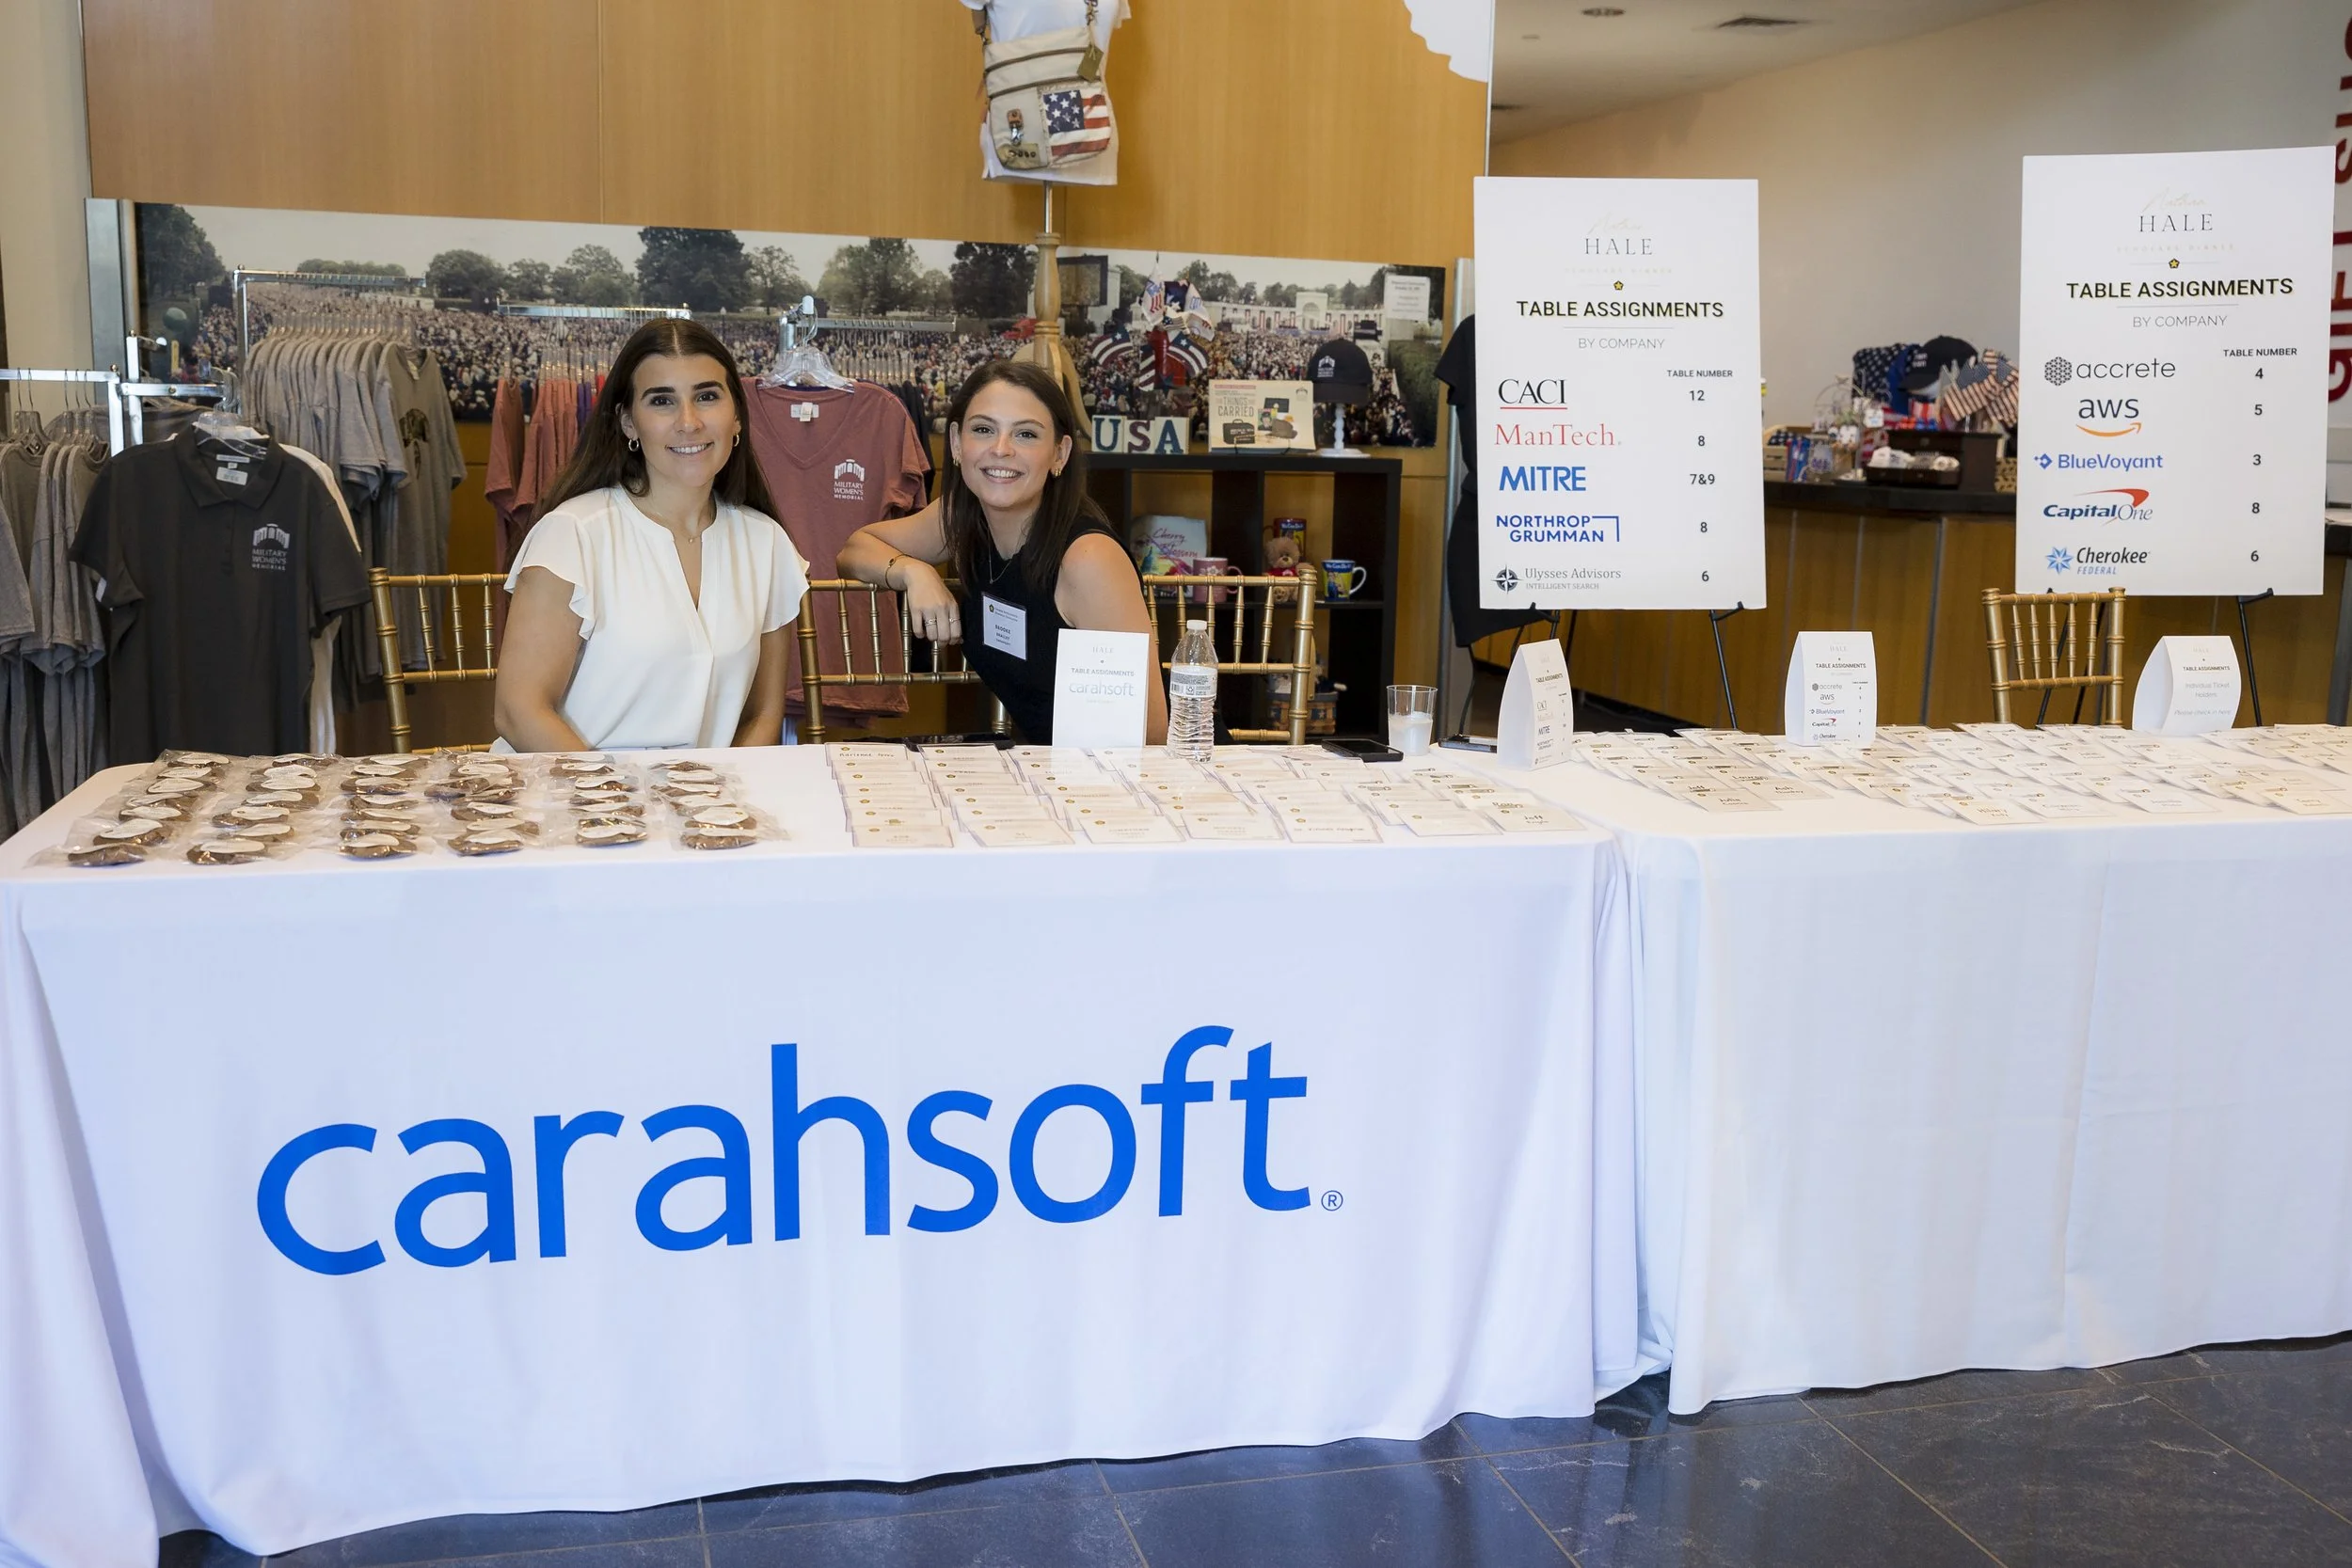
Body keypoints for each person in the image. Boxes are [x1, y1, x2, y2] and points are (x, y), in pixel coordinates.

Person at [495, 320, 808, 751]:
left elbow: (763, 716)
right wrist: (628, 809)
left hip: (705, 807)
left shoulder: (766, 543)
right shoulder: (572, 534)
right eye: (662, 401)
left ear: (736, 417)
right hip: (573, 801)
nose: (689, 421)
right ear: (628, 423)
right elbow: (519, 711)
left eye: (707, 396)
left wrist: (723, 806)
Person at [838, 358, 1167, 743]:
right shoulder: (963, 517)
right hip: (1041, 771)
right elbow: (853, 550)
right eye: (983, 429)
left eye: (1025, 435)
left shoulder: (1087, 559)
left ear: (1059, 455)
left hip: (1127, 783)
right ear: (958, 443)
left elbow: (1149, 734)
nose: (1001, 449)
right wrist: (913, 571)